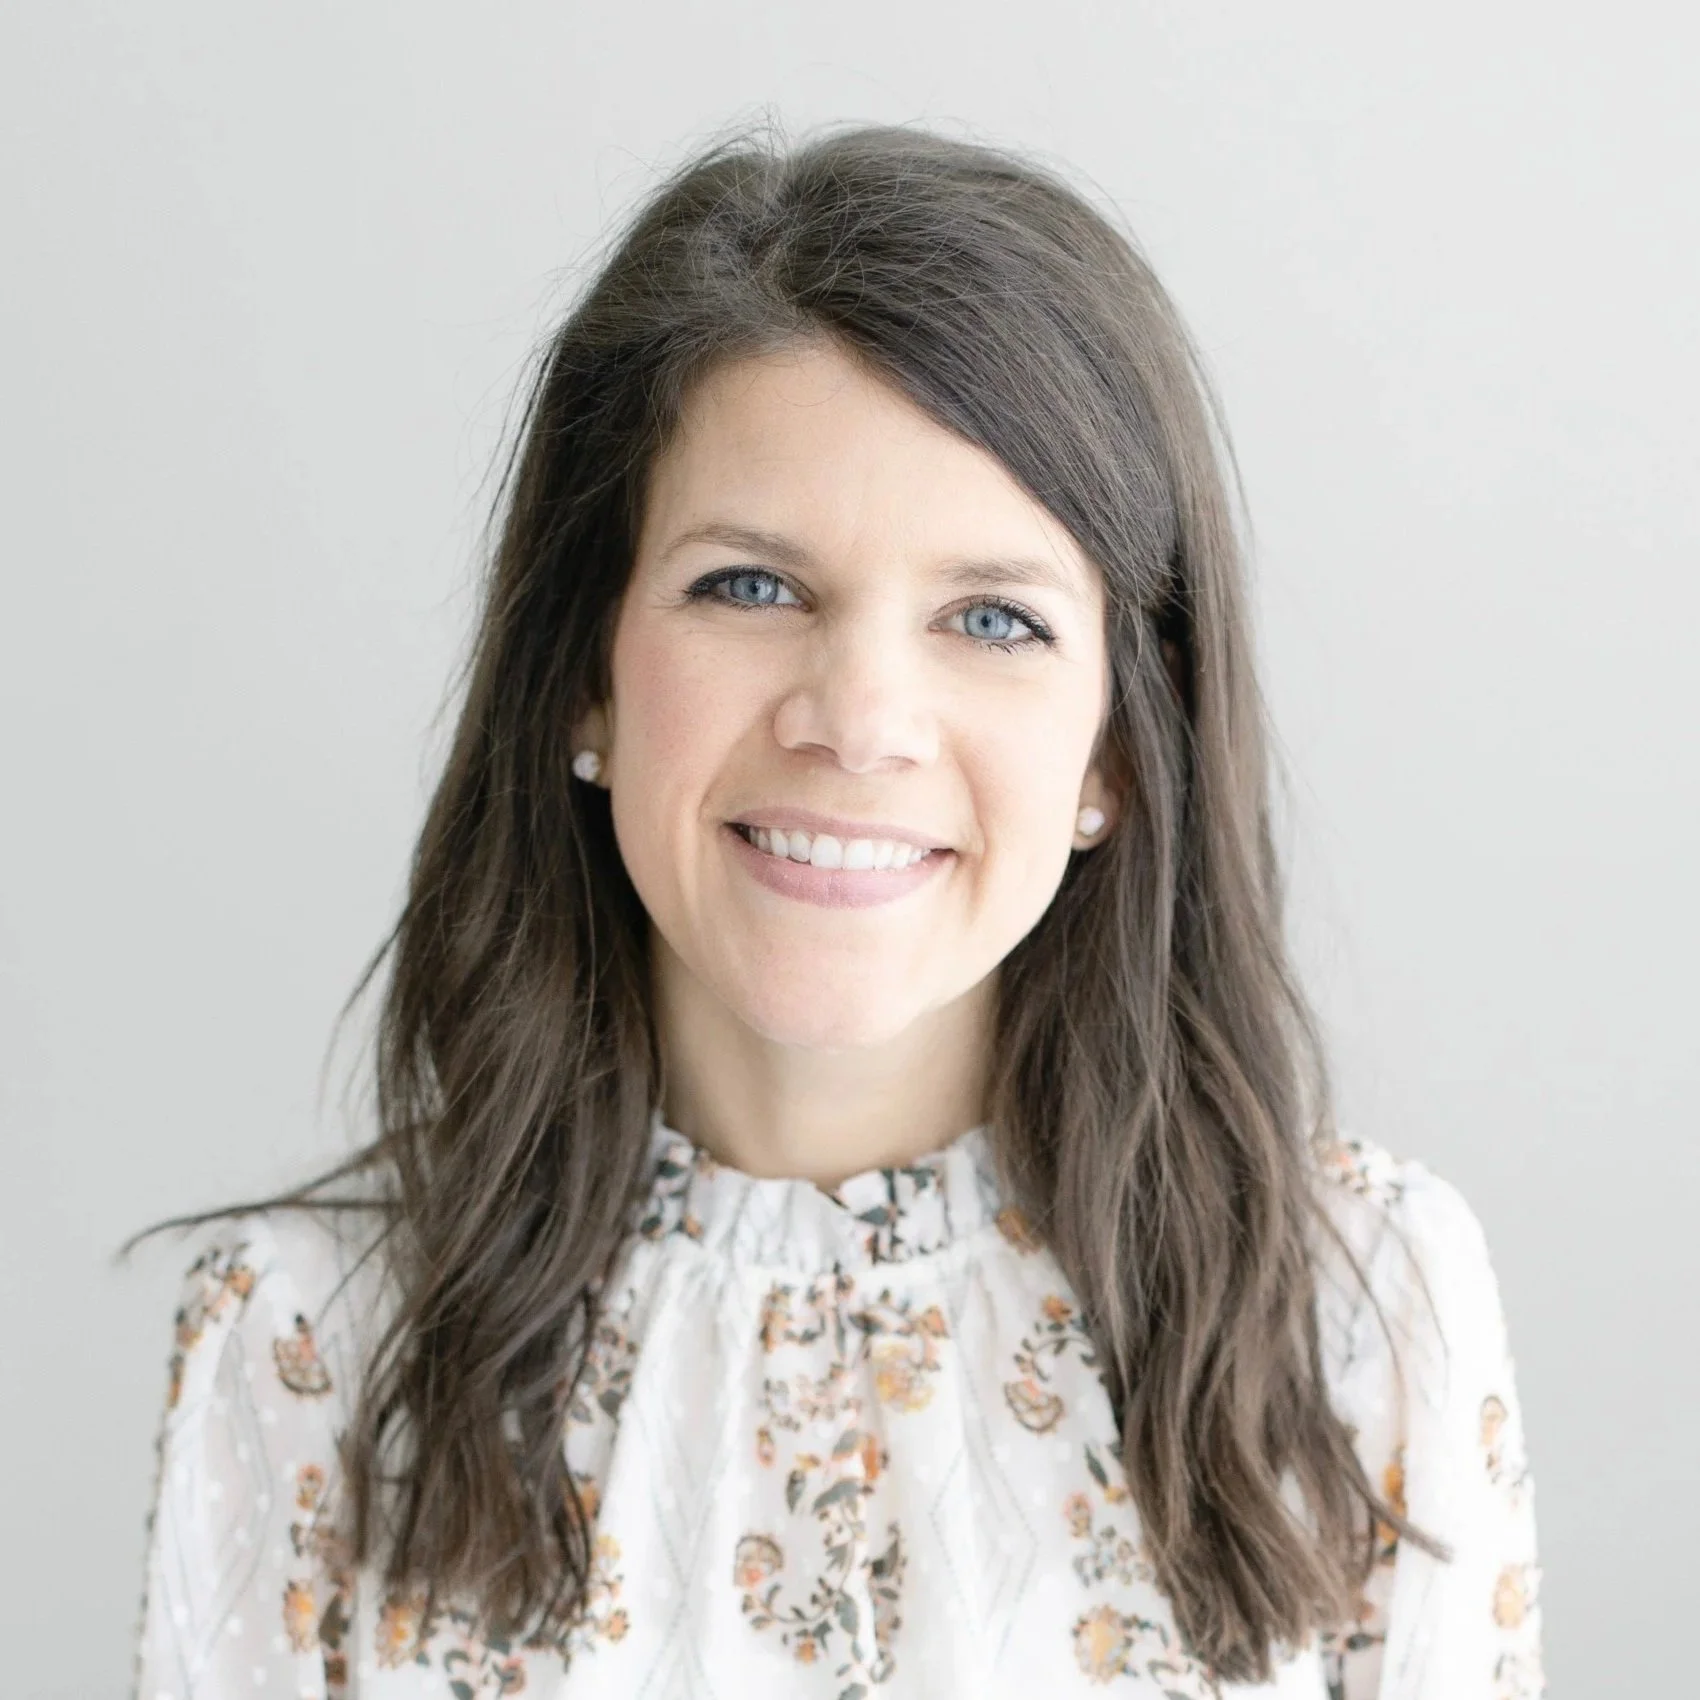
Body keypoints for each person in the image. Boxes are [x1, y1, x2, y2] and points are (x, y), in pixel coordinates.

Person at [125, 119, 1544, 1699]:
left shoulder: (1354, 1310)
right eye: (751, 586)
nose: (859, 719)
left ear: (1119, 754)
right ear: (585, 672)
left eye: (991, 617)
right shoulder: (307, 1343)